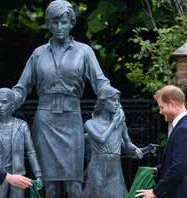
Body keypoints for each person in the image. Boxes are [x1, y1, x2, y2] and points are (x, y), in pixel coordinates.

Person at [12, 1, 118, 197]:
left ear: (71, 23)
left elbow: (100, 82)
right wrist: (10, 98)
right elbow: (22, 87)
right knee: (49, 185)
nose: (59, 27)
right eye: (54, 22)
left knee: (73, 183)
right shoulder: (38, 53)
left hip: (71, 120)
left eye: (63, 22)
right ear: (48, 24)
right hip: (45, 122)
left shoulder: (84, 51)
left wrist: (112, 96)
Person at [136, 85, 187, 198]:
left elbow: (178, 166)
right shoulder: (184, 125)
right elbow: (177, 161)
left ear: (171, 103)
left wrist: (156, 192)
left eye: (162, 107)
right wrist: (156, 169)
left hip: (182, 193)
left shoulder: (183, 129)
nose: (160, 112)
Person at [0, 88, 43, 197]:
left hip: (18, 176)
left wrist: (38, 175)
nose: (0, 105)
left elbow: (31, 152)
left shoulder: (22, 126)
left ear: (12, 105)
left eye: (4, 102)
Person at [82, 87, 143, 198]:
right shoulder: (90, 123)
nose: (116, 103)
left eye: (118, 101)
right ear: (103, 101)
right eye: (113, 100)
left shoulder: (121, 125)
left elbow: (128, 144)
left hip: (114, 168)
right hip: (97, 166)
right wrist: (114, 123)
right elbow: (101, 139)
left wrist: (137, 149)